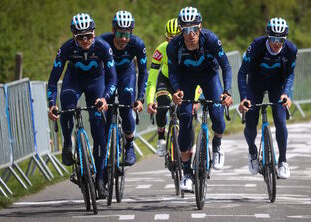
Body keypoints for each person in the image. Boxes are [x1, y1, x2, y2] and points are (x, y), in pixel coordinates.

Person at [47, 13, 117, 198]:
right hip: (74, 81)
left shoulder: (104, 48)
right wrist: (52, 104)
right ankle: (68, 145)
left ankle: (100, 180)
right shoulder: (67, 49)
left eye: (89, 36)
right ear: (73, 36)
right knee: (68, 106)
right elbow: (53, 81)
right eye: (80, 37)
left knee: (98, 129)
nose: (85, 40)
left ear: (94, 33)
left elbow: (112, 78)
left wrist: (104, 98)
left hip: (97, 83)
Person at [167, 7, 233, 192]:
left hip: (209, 76)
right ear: (181, 30)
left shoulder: (211, 40)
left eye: (194, 29)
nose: (190, 34)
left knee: (218, 114)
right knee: (185, 116)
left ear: (200, 27)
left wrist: (227, 91)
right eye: (186, 30)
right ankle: (187, 173)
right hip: (186, 79)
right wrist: (177, 90)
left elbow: (226, 67)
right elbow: (173, 72)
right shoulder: (174, 46)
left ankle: (217, 144)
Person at [237, 17, 297, 179]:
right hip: (255, 83)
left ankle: (283, 160)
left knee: (280, 119)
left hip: (277, 85)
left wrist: (286, 93)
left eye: (281, 39)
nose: (277, 43)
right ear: (268, 36)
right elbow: (242, 73)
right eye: (273, 39)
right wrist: (243, 98)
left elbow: (290, 74)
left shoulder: (291, 49)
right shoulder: (256, 46)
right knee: (250, 120)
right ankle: (252, 151)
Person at [146, 18, 201, 157]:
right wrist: (150, 101)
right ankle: (161, 139)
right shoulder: (161, 49)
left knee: (187, 113)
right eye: (171, 39)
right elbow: (152, 78)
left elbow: (199, 77)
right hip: (166, 80)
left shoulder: (192, 48)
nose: (175, 43)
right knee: (162, 104)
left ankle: (190, 144)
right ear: (166, 38)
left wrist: (195, 99)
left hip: (186, 81)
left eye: (177, 38)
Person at [99, 10, 148, 166]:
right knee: (104, 111)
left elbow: (143, 72)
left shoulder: (137, 44)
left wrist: (140, 98)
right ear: (113, 30)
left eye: (127, 34)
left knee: (126, 104)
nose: (124, 39)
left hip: (127, 74)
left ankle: (129, 145)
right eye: (120, 34)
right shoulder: (102, 42)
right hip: (108, 76)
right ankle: (105, 153)